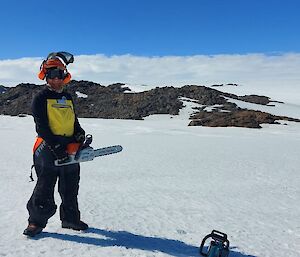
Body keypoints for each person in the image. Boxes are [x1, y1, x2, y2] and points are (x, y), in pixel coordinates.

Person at [23, 52, 88, 237]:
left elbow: (73, 120)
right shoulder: (40, 98)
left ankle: (70, 219)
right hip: (47, 146)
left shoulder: (67, 97)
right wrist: (56, 147)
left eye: (59, 74)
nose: (56, 79)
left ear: (64, 76)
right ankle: (35, 222)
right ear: (46, 76)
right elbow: (42, 127)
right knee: (45, 186)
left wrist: (79, 133)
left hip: (69, 145)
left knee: (70, 186)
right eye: (52, 75)